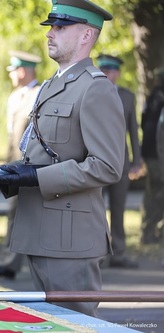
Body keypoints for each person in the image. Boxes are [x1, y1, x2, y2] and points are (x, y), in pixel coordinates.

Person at [0, 0, 125, 317]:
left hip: (70, 239)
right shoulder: (55, 84)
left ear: (86, 36)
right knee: (51, 323)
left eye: (60, 27)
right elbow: (45, 152)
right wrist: (10, 173)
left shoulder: (95, 89)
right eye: (51, 26)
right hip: (42, 232)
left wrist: (35, 178)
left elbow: (107, 167)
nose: (50, 33)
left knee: (77, 323)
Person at [0, 51, 41, 280]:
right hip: (14, 166)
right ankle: (9, 263)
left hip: (29, 167)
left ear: (22, 71)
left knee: (24, 214)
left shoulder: (39, 94)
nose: (11, 76)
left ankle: (12, 263)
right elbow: (12, 137)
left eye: (13, 72)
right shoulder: (15, 96)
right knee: (14, 213)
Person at [97, 54, 141, 268]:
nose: (106, 74)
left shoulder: (127, 96)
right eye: (103, 70)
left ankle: (119, 253)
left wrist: (137, 159)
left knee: (118, 207)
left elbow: (133, 130)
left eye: (110, 71)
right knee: (96, 209)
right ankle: (99, 253)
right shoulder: (93, 92)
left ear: (117, 73)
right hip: (96, 160)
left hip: (121, 162)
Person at [140, 68, 164, 244]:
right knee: (156, 192)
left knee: (152, 192)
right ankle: (150, 233)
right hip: (158, 154)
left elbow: (144, 122)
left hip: (151, 152)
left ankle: (149, 232)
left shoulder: (153, 97)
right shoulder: (160, 98)